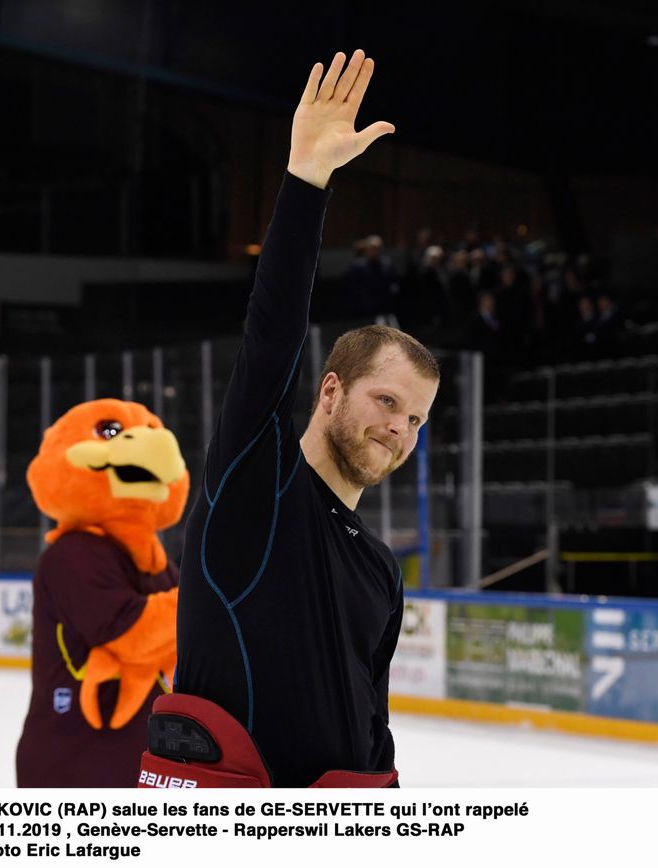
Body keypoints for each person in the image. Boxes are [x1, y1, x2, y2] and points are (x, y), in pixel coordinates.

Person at [166, 50, 439, 787]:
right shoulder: (257, 487)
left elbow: (371, 723)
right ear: (329, 391)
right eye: (387, 401)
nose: (401, 429)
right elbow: (271, 337)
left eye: (417, 419)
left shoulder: (379, 568)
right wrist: (306, 179)